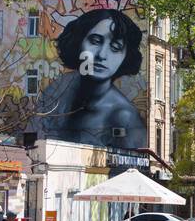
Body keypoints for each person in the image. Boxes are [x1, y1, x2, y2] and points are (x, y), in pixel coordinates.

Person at [34, 8, 148, 149]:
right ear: (78, 41)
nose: (102, 55)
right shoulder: (58, 88)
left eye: (115, 47)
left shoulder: (124, 117)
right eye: (95, 41)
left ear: (126, 56)